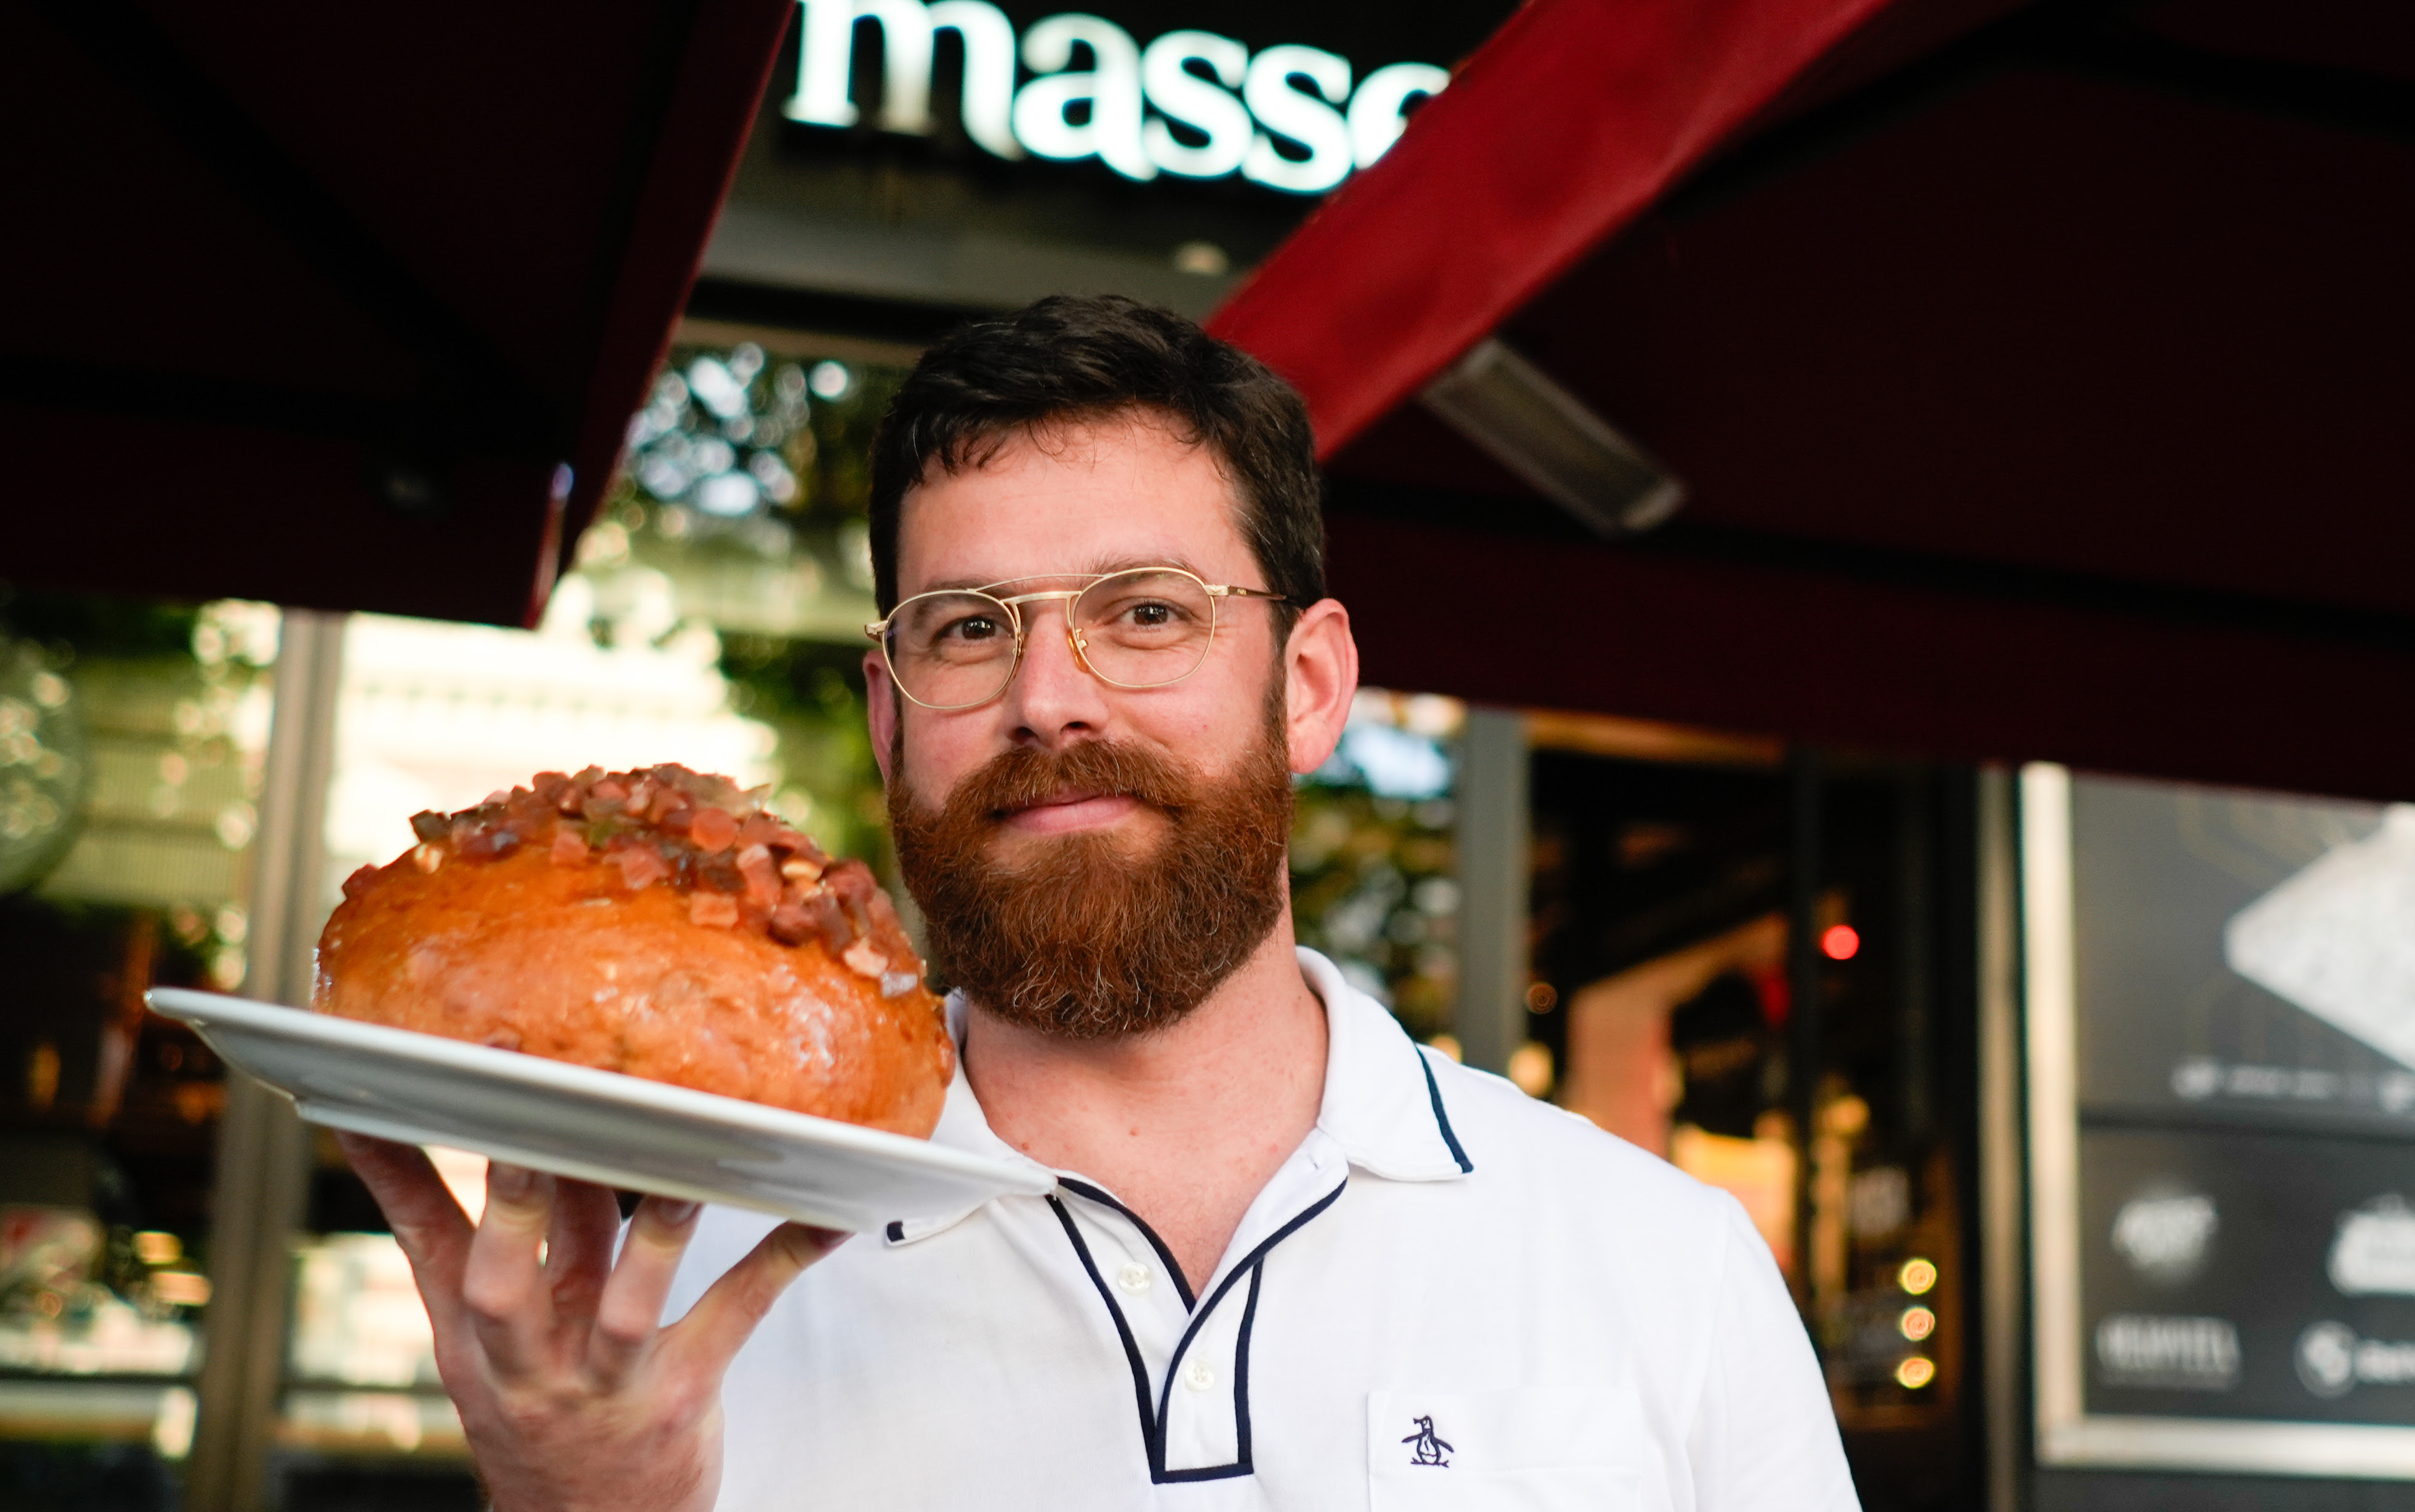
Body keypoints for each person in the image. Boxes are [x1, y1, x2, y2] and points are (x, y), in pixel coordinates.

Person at [343, 295, 1858, 1510]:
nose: (1049, 700)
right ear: (887, 719)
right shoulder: (664, 1307)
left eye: (1146, 614)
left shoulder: (1659, 1264)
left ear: (1310, 684)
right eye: (965, 628)